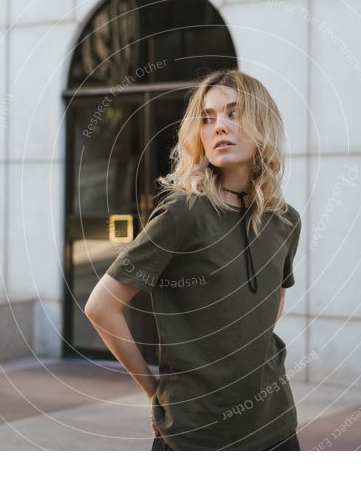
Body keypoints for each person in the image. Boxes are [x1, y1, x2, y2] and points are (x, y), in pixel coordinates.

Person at [84, 68, 302, 451]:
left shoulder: (285, 220)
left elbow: (270, 308)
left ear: (262, 124)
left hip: (276, 429)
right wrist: (154, 394)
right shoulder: (183, 213)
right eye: (208, 117)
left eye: (234, 113)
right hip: (194, 436)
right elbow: (101, 307)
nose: (219, 126)